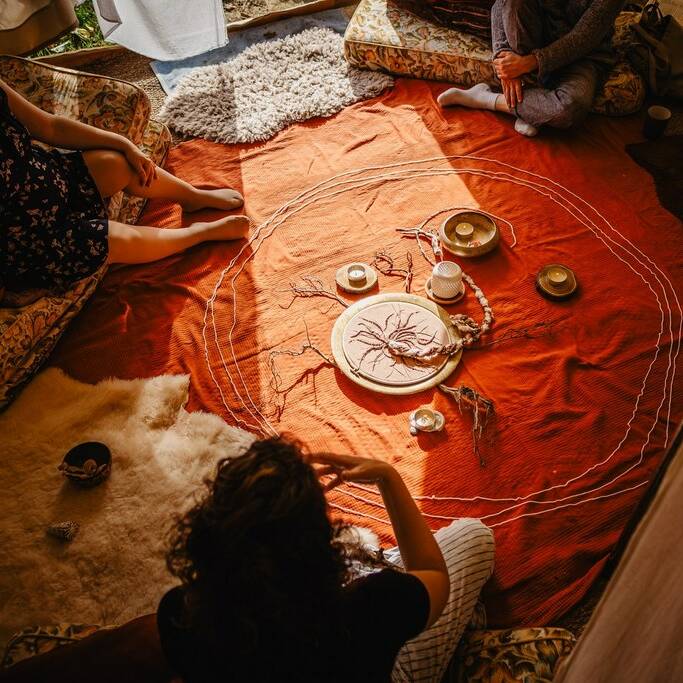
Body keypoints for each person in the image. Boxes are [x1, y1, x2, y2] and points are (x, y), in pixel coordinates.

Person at [158, 438, 495, 683]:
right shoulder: (370, 607)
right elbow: (432, 572)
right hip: (380, 647)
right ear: (319, 544)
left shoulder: (181, 614)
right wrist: (388, 478)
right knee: (475, 537)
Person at [0, 80, 249, 299]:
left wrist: (124, 144)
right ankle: (199, 234)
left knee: (117, 164)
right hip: (35, 239)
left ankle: (191, 197)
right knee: (113, 240)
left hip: (54, 178)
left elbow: (50, 127)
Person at [438, 0, 624, 136]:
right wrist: (504, 60)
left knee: (568, 111)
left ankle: (486, 98)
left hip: (584, 55)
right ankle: (531, 98)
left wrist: (530, 62)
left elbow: (582, 39)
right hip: (534, 39)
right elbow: (500, 5)